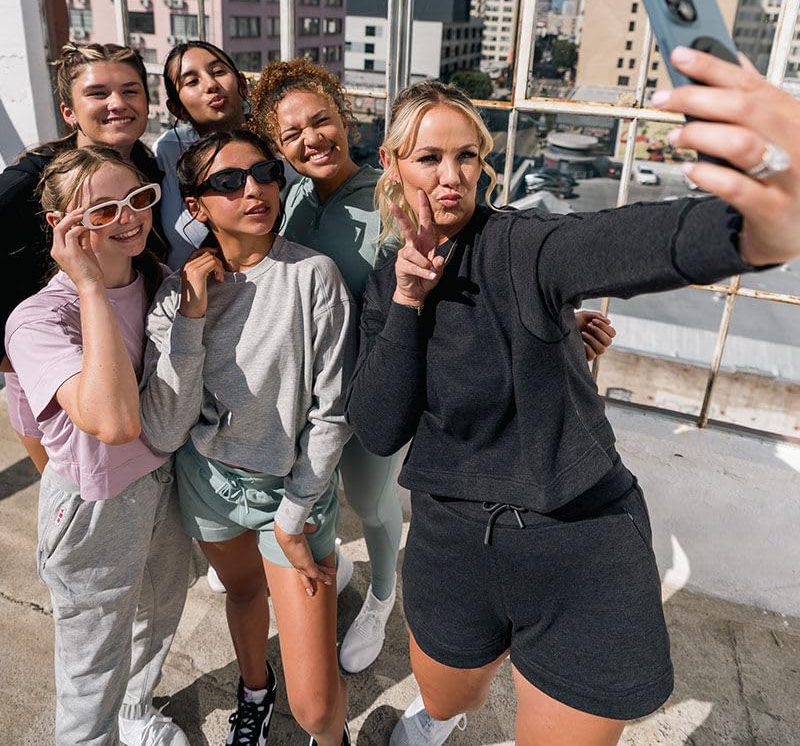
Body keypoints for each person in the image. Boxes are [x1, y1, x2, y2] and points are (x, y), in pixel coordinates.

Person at [345, 49, 800, 746]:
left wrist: (754, 230)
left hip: (582, 540)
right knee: (446, 695)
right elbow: (379, 428)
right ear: (392, 162)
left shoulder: (521, 245)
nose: (451, 176)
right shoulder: (387, 286)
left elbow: (615, 243)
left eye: (467, 157)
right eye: (429, 158)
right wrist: (409, 302)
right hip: (453, 543)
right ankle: (440, 716)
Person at [248, 58, 617, 674]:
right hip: (310, 388)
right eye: (291, 134)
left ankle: (382, 595)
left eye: (321, 120)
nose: (311, 139)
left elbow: (468, 268)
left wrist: (551, 329)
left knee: (370, 500)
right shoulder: (293, 201)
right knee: (322, 492)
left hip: (375, 386)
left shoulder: (397, 195)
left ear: (346, 117)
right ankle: (338, 569)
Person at [139, 129, 355, 746]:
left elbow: (332, 413)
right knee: (241, 592)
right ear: (197, 206)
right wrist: (191, 318)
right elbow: (165, 427)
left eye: (264, 173)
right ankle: (254, 692)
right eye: (229, 182)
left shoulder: (312, 276)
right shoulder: (176, 294)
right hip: (208, 483)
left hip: (292, 493)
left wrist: (293, 515)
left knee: (316, 707)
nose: (254, 190)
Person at [3, 146, 191, 746]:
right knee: (92, 668)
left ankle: (136, 709)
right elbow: (111, 421)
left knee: (161, 609)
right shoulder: (38, 320)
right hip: (95, 510)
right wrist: (88, 284)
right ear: (59, 224)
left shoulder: (157, 280)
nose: (128, 218)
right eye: (103, 210)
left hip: (163, 484)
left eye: (137, 199)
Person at [0, 41, 165, 472]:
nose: (118, 104)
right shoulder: (27, 183)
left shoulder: (149, 166)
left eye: (130, 90)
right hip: (56, 374)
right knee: (76, 489)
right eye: (98, 93)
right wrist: (12, 353)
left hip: (129, 361)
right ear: (68, 111)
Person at [154, 40, 251, 270]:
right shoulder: (169, 150)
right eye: (191, 81)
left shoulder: (278, 146)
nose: (211, 85)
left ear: (242, 84)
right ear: (176, 108)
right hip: (183, 286)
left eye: (218, 72)